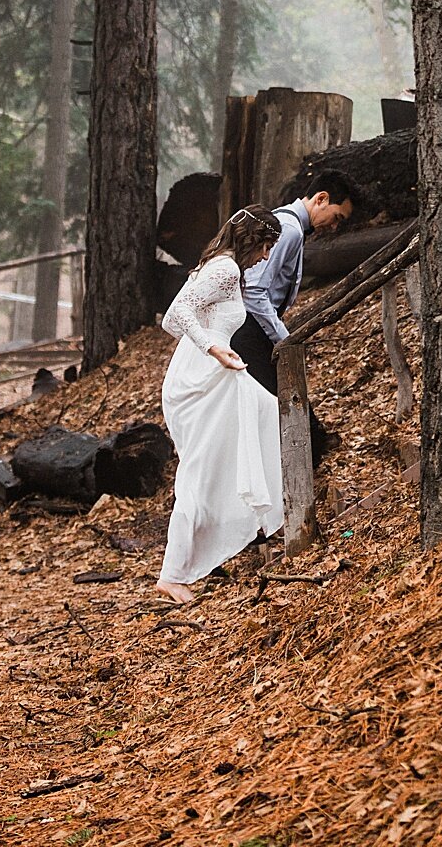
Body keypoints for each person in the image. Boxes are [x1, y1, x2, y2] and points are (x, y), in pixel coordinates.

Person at [155, 206, 286, 604]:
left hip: (215, 372)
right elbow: (176, 314)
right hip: (204, 379)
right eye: (265, 246)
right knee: (200, 471)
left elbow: (177, 322)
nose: (265, 256)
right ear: (251, 239)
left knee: (266, 417)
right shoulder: (225, 269)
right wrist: (212, 346)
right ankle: (173, 574)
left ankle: (261, 522)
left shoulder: (221, 266)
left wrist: (212, 347)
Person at [230, 170, 358, 457]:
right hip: (249, 324)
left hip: (255, 322)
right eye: (337, 217)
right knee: (277, 394)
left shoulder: (289, 224)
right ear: (322, 199)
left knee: (278, 390)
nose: (334, 227)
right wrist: (283, 337)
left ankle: (313, 449)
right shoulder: (288, 228)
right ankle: (307, 455)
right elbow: (254, 290)